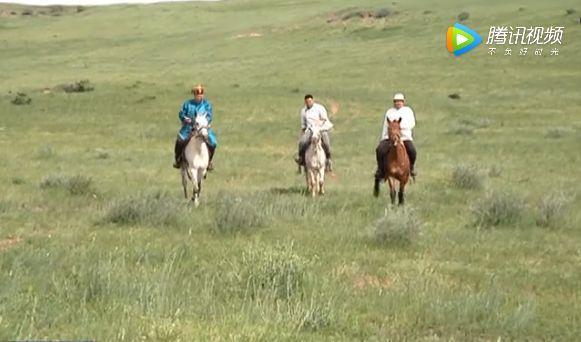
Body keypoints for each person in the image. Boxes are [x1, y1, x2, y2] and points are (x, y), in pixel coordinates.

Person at [374, 92, 417, 183]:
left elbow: (412, 123)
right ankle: (381, 170)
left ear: (403, 102)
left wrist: (399, 128)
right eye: (396, 101)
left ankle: (411, 169)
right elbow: (386, 125)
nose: (398, 103)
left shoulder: (408, 111)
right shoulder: (389, 112)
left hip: (404, 136)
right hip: (390, 137)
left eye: (400, 101)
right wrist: (384, 137)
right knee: (380, 150)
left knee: (412, 150)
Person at [173, 84, 217, 170]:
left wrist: (206, 122)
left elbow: (209, 115)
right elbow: (181, 114)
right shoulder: (187, 104)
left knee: (213, 142)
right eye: (197, 95)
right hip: (188, 128)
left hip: (202, 128)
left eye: (201, 94)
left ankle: (209, 161)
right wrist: (186, 119)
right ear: (194, 95)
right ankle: (178, 160)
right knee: (179, 141)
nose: (199, 96)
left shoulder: (206, 104)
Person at [295, 94, 334, 172]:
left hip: (321, 128)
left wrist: (319, 122)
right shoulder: (303, 111)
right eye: (307, 102)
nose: (309, 103)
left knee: (326, 142)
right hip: (310, 129)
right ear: (305, 102)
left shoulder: (320, 108)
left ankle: (328, 159)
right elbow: (303, 125)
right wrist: (302, 134)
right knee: (302, 142)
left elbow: (324, 119)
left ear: (313, 100)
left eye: (310, 101)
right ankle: (301, 159)